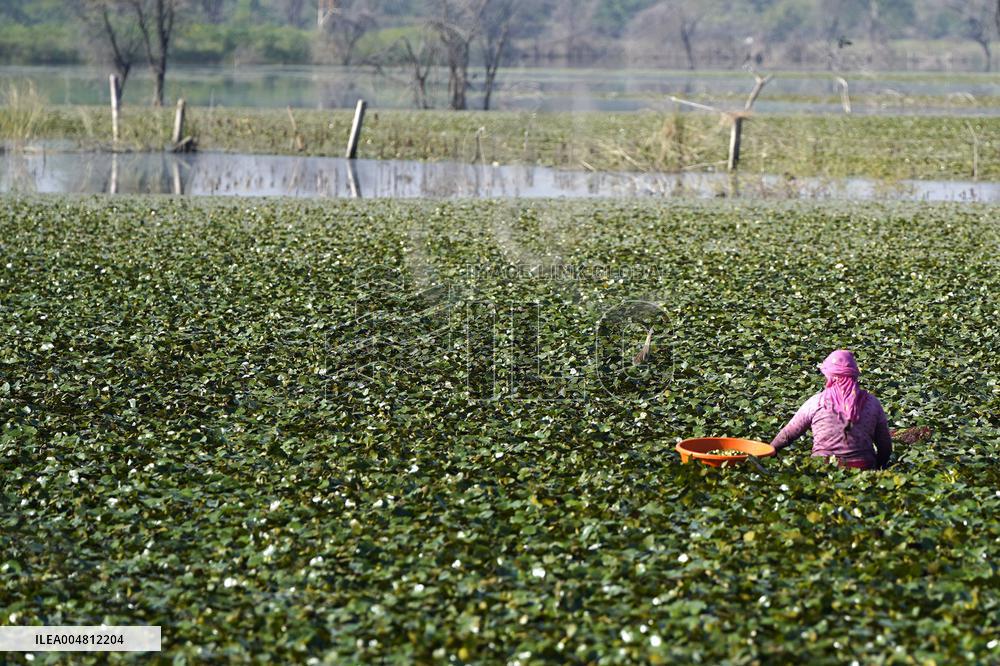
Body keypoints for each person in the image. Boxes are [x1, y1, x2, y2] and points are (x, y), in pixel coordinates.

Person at [771, 350, 892, 469]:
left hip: (823, 468)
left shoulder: (817, 402)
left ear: (829, 376)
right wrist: (880, 466)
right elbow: (885, 445)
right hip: (863, 469)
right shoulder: (872, 403)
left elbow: (788, 435)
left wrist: (771, 450)